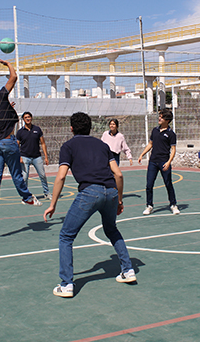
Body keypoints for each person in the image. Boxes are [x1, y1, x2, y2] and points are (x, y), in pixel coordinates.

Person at [43, 112, 135, 298]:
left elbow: (61, 176)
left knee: (66, 236)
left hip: (89, 193)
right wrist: (119, 199)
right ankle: (128, 270)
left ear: (71, 128)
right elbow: (118, 174)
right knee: (111, 229)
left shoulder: (68, 146)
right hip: (110, 191)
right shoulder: (102, 145)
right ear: (91, 127)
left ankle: (67, 284)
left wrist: (53, 204)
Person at [0, 59, 41, 222]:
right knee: (16, 174)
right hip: (8, 143)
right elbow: (13, 78)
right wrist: (9, 65)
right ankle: (27, 197)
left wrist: (8, 107)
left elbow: (2, 114)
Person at [138, 108, 179, 215]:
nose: (159, 118)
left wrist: (169, 162)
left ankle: (173, 205)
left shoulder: (171, 134)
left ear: (167, 120)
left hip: (164, 162)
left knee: (168, 183)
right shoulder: (155, 130)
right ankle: (149, 205)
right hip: (153, 162)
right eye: (159, 116)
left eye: (162, 117)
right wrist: (142, 154)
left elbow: (173, 149)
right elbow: (150, 144)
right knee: (149, 185)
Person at [16, 111, 51, 199]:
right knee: (24, 177)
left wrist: (46, 157)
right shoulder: (20, 132)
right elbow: (17, 145)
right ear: (23, 119)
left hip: (37, 157)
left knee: (42, 175)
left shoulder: (37, 129)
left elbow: (43, 143)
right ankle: (26, 196)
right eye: (26, 117)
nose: (28, 118)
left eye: (29, 117)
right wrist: (19, 157)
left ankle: (46, 193)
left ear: (31, 118)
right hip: (24, 157)